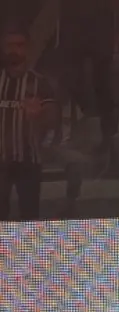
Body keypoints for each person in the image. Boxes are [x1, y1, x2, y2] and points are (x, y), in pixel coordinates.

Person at [0, 28, 56, 221]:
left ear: (28, 49)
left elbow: (52, 121)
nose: (13, 50)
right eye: (9, 45)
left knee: (29, 219)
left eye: (19, 45)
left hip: (29, 161)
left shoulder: (40, 83)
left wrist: (39, 115)